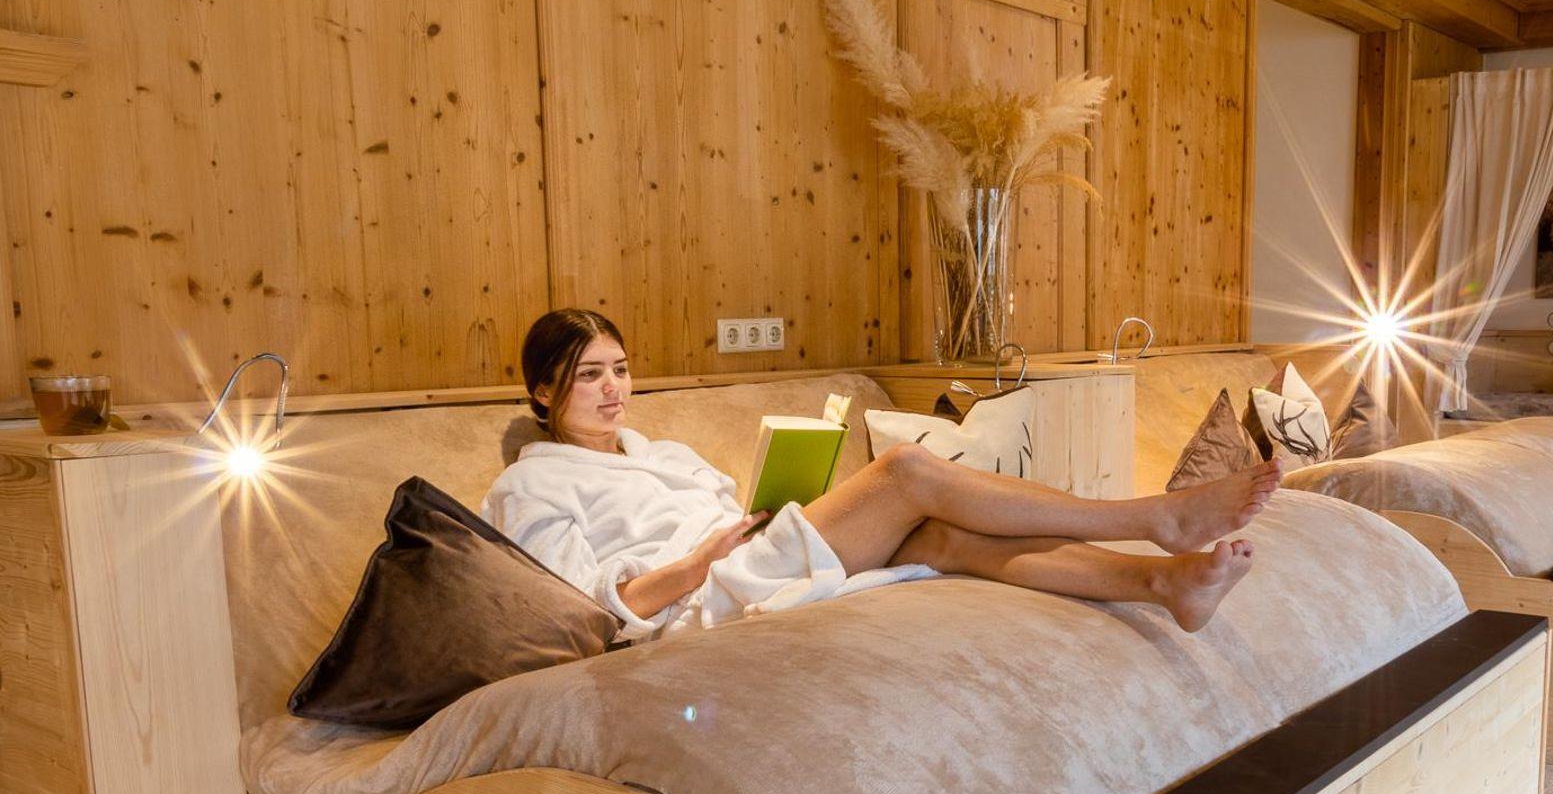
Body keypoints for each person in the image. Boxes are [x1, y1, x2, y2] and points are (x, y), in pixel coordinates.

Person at [482, 308, 1278, 638]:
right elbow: (584, 611)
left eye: (620, 370)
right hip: (704, 598)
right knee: (905, 471)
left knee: (948, 536)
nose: (614, 390)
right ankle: (1152, 517)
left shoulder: (665, 455)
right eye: (590, 376)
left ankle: (1162, 583)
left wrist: (771, 510)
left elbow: (732, 514)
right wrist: (694, 565)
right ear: (543, 391)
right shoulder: (528, 486)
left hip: (754, 555)